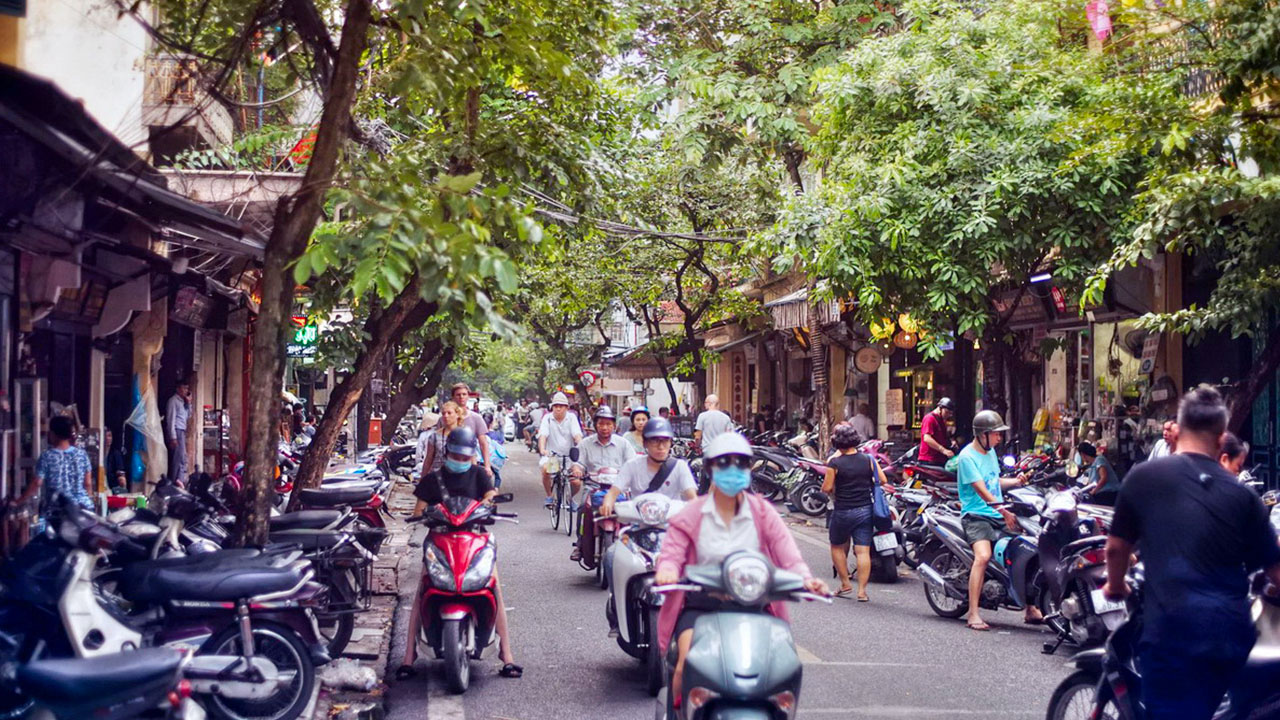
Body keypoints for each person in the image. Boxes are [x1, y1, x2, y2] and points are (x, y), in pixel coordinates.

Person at [1104, 385, 1280, 720]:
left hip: (1172, 632)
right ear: (1220, 439)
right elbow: (1276, 571)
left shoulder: (1144, 478)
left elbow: (1116, 549)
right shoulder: (1242, 496)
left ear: (1178, 431)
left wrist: (1116, 586)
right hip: (1230, 635)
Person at [653, 432, 829, 704]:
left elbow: (788, 555)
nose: (733, 470)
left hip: (755, 606)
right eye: (724, 463)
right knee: (686, 664)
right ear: (711, 468)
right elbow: (672, 553)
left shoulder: (763, 512)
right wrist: (667, 570)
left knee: (781, 670)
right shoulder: (691, 513)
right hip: (702, 607)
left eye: (741, 463)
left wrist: (805, 580)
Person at [398, 427, 521, 679]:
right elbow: (419, 509)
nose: (462, 462)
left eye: (466, 458)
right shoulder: (433, 480)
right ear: (448, 452)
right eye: (457, 456)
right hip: (440, 539)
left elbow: (490, 496)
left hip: (475, 538)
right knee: (422, 590)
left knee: (494, 588)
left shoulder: (479, 475)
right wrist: (425, 514)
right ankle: (408, 657)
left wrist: (489, 504)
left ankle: (506, 655)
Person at [956, 409, 1041, 630]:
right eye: (996, 434)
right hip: (976, 516)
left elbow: (994, 482)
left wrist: (1015, 482)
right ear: (982, 435)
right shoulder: (966, 457)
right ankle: (973, 614)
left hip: (997, 513)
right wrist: (1004, 511)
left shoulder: (991, 453)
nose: (999, 438)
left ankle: (1030, 607)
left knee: (1027, 549)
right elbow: (982, 490)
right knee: (983, 557)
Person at [822, 423, 890, 601]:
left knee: (836, 545)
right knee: (862, 551)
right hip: (865, 510)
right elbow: (882, 480)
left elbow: (827, 487)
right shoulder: (868, 459)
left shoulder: (835, 462)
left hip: (843, 510)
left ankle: (845, 584)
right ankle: (862, 591)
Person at [569, 406, 633, 563]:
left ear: (614, 426)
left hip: (617, 488)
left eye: (608, 424)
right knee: (583, 506)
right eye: (601, 424)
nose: (605, 428)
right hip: (593, 486)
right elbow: (578, 463)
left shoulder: (623, 444)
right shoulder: (585, 444)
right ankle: (580, 542)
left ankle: (630, 542)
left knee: (631, 509)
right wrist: (577, 470)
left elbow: (633, 464)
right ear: (596, 425)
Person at [601, 417, 698, 516]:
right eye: (655, 441)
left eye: (665, 441)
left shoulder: (680, 466)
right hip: (638, 525)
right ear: (645, 443)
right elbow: (613, 492)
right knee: (623, 532)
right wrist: (607, 503)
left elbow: (692, 497)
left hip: (671, 526)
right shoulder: (632, 466)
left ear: (670, 443)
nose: (660, 447)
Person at [11, 416, 94, 517]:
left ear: (53, 434)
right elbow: (88, 483)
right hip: (83, 509)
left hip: (58, 511)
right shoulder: (82, 455)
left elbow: (37, 483)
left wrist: (19, 501)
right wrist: (89, 501)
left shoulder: (47, 456)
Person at [410, 401, 462, 517]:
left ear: (457, 414)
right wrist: (423, 480)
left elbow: (471, 460)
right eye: (443, 413)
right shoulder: (434, 436)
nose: (446, 416)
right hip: (438, 480)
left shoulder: (464, 435)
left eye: (449, 413)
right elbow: (428, 460)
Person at [538, 392, 583, 507]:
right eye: (555, 406)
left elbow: (577, 434)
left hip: (569, 457)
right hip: (553, 457)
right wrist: (543, 449)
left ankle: (570, 497)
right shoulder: (547, 419)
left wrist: (581, 446)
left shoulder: (572, 418)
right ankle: (549, 495)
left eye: (561, 406)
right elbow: (543, 435)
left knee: (576, 482)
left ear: (566, 408)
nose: (558, 409)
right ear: (552, 407)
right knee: (545, 470)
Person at [450, 383, 491, 475]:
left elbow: (483, 444)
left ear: (468, 396)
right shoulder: (445, 418)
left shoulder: (476, 418)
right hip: (449, 463)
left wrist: (487, 466)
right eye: (458, 394)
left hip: (470, 463)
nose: (461, 397)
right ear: (453, 397)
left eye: (464, 394)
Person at [165, 377, 192, 482]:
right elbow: (170, 420)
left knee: (182, 458)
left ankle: (179, 480)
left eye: (187, 389)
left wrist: (188, 403)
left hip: (182, 430)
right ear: (178, 389)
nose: (186, 391)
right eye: (184, 388)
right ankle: (176, 481)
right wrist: (173, 437)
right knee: (179, 458)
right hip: (177, 431)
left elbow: (188, 416)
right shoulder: (173, 401)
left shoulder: (183, 402)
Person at [1078, 441, 1120, 506]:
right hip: (1101, 494)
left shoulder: (1099, 460)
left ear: (1082, 454)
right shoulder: (1091, 466)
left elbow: (1104, 478)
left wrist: (1094, 491)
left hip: (1108, 493)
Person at [919, 397, 955, 465]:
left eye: (950, 413)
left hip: (939, 458)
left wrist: (951, 442)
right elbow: (927, 438)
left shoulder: (942, 421)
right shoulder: (929, 418)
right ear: (940, 408)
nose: (948, 415)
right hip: (929, 459)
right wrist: (943, 450)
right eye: (946, 412)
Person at [103, 427, 128, 492]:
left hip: (112, 486)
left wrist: (122, 480)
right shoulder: (98, 454)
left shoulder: (115, 453)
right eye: (105, 436)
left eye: (109, 436)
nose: (108, 438)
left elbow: (120, 471)